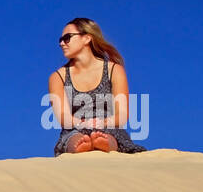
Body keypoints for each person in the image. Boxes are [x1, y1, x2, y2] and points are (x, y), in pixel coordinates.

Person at [48, 18, 147, 155]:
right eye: (60, 39)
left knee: (109, 137)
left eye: (67, 38)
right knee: (74, 139)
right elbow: (63, 117)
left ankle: (104, 144)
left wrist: (103, 122)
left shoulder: (114, 70)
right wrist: (84, 124)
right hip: (75, 127)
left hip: (108, 126)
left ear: (87, 38)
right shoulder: (58, 77)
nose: (61, 43)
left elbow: (122, 115)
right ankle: (82, 147)